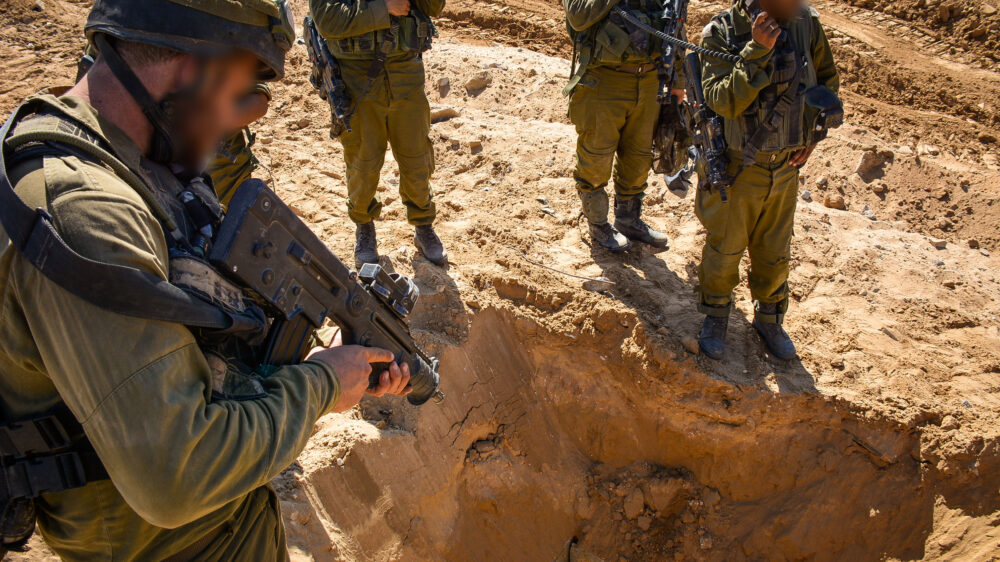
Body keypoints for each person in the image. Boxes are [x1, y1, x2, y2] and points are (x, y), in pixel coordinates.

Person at [0, 1, 413, 559]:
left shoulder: (116, 153)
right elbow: (178, 474)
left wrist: (308, 362)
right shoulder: (85, 210)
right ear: (193, 69)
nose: (229, 127)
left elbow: (180, 342)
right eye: (234, 99)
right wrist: (318, 386)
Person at [695, 0, 840, 360]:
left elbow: (825, 79)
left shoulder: (804, 21)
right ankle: (715, 315)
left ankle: (770, 319)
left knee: (775, 252)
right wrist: (757, 50)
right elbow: (721, 100)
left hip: (786, 167)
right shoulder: (721, 32)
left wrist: (814, 134)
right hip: (739, 168)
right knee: (725, 250)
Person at [309, 0, 447, 267]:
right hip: (354, 73)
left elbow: (434, 7)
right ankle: (364, 225)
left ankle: (423, 224)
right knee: (363, 159)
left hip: (405, 67)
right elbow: (327, 18)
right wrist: (384, 8)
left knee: (416, 155)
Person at [77, 43, 271, 207]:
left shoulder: (221, 25)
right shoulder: (125, 22)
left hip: (220, 178)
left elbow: (258, 102)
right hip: (137, 172)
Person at [562, 0, 687, 253]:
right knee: (596, 158)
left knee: (639, 157)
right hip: (606, 78)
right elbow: (577, 15)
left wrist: (679, 80)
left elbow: (676, 23)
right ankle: (598, 225)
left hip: (651, 80)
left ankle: (629, 220)